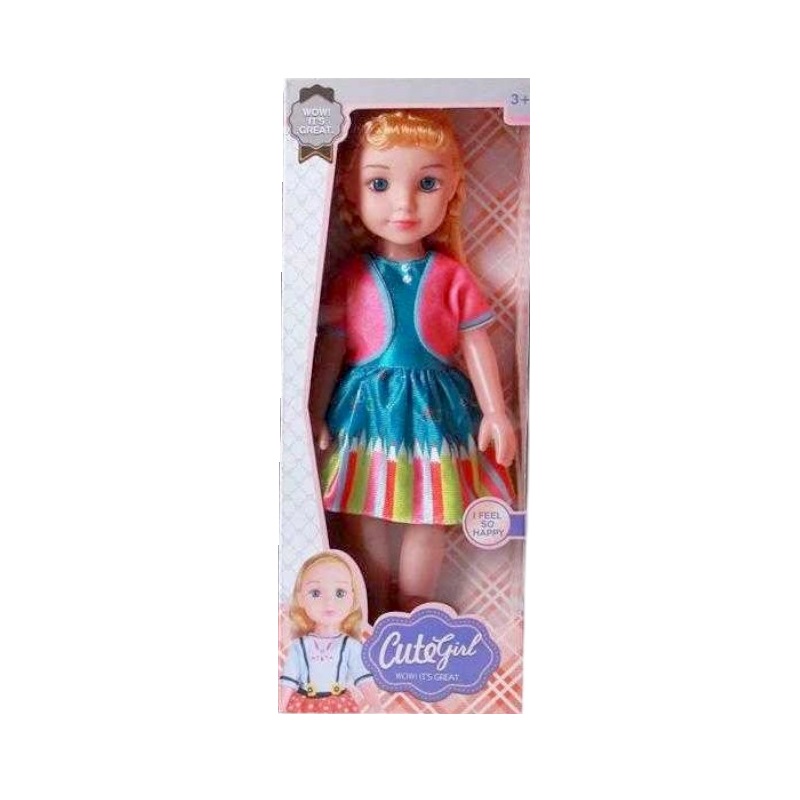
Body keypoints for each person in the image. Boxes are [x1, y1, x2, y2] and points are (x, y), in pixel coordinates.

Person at [310, 109, 516, 616]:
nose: (403, 204)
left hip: (433, 412)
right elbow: (332, 349)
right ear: (350, 191)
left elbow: (475, 343)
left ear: (452, 190)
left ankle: (413, 608)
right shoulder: (352, 276)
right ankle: (374, 605)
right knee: (366, 509)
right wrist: (310, 413)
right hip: (366, 412)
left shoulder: (449, 275)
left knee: (430, 513)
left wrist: (495, 411)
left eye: (427, 183)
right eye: (379, 184)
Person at [279, 551, 381, 713]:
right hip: (304, 705)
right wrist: (281, 708)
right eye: (316, 593)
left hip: (339, 706)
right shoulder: (300, 645)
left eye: (340, 593)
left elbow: (363, 677)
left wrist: (376, 706)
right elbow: (289, 678)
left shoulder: (350, 645)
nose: (329, 602)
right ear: (300, 599)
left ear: (352, 598)